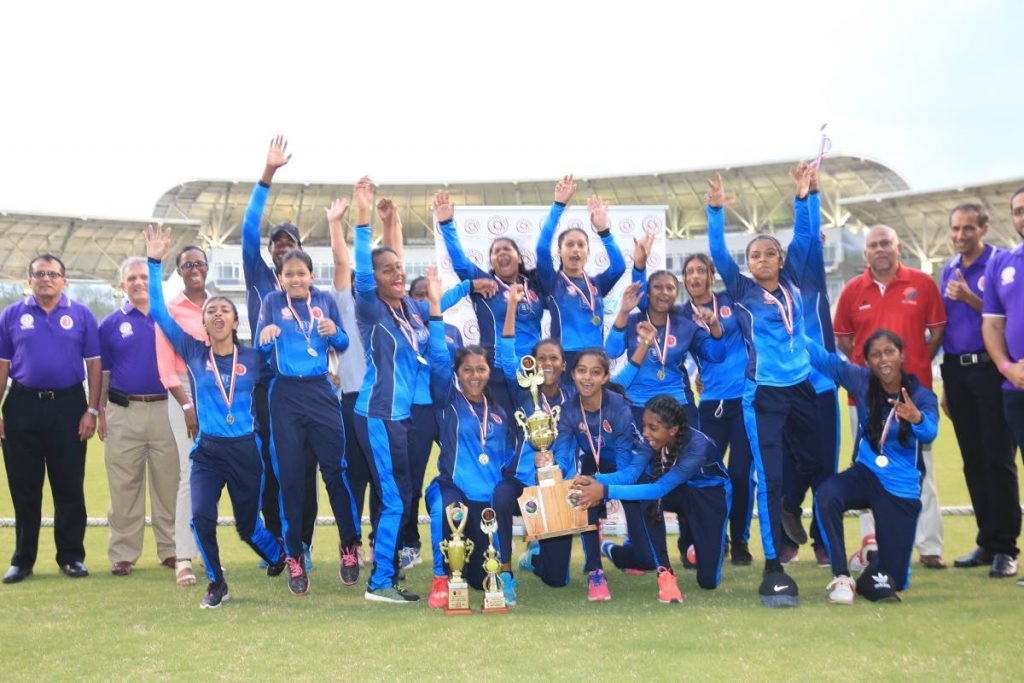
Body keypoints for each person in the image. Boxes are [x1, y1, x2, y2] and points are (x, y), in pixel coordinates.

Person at [145, 225, 285, 609]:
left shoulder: (255, 358)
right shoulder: (192, 351)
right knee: (201, 518)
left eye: (225, 310)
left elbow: (288, 376)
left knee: (246, 527)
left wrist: (278, 334)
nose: (218, 315)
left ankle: (279, 555)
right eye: (211, 312)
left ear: (236, 322)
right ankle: (217, 582)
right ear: (204, 325)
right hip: (208, 451)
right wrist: (154, 262)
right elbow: (158, 310)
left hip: (245, 451)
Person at [706, 169, 822, 607]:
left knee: (814, 462)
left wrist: (802, 195)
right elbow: (718, 252)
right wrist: (716, 211)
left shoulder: (793, 277)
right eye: (755, 255)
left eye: (769, 253)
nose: (762, 260)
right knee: (768, 476)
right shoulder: (740, 290)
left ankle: (794, 509)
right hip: (764, 396)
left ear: (778, 258)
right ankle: (773, 564)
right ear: (749, 262)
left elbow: (806, 237)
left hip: (803, 386)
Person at [833, 222, 948, 569]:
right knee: (869, 468)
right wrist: (872, 373)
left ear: (899, 248)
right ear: (866, 253)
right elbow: (843, 338)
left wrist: (912, 366)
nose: (880, 249)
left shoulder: (922, 284)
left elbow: (938, 331)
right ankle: (873, 545)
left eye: (886, 243)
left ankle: (929, 546)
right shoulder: (854, 289)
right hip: (867, 401)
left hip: (912, 398)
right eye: (873, 245)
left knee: (920, 469)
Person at [256, 248, 362, 596]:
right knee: (290, 479)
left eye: (302, 273)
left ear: (311, 276)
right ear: (281, 278)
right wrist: (266, 334)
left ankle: (349, 546)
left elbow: (344, 341)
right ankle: (295, 555)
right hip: (285, 394)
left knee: (335, 471)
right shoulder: (272, 301)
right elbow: (259, 346)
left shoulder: (326, 299)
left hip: (320, 391)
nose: (296, 279)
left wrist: (333, 333)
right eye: (289, 274)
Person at [808, 331, 939, 604]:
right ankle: (842, 575)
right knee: (826, 494)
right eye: (876, 355)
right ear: (867, 361)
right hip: (866, 474)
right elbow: (827, 361)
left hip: (900, 487)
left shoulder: (920, 395)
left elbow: (930, 433)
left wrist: (916, 418)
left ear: (901, 355)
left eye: (889, 351)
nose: (883, 359)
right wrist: (792, 329)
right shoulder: (862, 381)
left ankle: (874, 559)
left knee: (892, 582)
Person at [571, 395, 731, 603]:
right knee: (645, 489)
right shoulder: (651, 440)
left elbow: (659, 489)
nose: (645, 433)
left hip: (708, 496)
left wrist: (604, 491)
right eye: (644, 426)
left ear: (672, 430)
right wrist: (592, 480)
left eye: (652, 428)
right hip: (675, 492)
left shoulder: (698, 448)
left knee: (708, 581)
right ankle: (664, 573)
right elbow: (630, 474)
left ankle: (701, 546)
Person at [242, 136, 318, 573]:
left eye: (291, 242)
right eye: (277, 242)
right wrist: (267, 175)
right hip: (266, 385)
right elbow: (250, 229)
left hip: (304, 386)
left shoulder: (310, 287)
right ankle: (279, 546)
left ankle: (302, 543)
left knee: (302, 467)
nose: (282, 247)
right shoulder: (258, 278)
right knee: (270, 467)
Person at [0, 254, 101, 584]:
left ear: (64, 280)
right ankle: (23, 560)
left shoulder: (81, 315)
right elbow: (2, 367)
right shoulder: (11, 316)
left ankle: (71, 556)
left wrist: (92, 409)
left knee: (69, 486)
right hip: (22, 405)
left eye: (53, 274)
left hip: (69, 405)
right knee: (24, 489)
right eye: (39, 274)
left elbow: (95, 366)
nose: (46, 278)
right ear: (28, 280)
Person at [422, 268, 514, 608]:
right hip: (456, 490)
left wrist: (512, 309)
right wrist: (434, 307)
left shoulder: (502, 406)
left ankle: (499, 573)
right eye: (467, 370)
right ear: (458, 374)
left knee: (480, 579)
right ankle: (439, 578)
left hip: (489, 501)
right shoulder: (447, 399)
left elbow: (506, 353)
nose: (475, 376)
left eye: (481, 369)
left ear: (490, 371)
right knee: (444, 508)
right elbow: (436, 358)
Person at [940, 202, 1019, 578]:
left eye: (968, 228)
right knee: (972, 460)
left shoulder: (1000, 264)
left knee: (997, 460)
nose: (960, 236)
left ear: (984, 229)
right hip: (956, 372)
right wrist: (945, 382)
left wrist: (969, 297)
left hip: (989, 370)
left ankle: (1006, 546)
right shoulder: (948, 269)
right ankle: (987, 541)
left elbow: (996, 319)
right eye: (955, 229)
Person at [526, 348, 639, 602]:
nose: (587, 378)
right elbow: (565, 457)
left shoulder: (619, 406)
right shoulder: (568, 410)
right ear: (573, 375)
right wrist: (551, 465)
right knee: (582, 492)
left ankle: (624, 553)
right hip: (593, 465)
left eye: (595, 372)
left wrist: (600, 484)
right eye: (581, 371)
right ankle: (595, 571)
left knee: (644, 556)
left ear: (605, 377)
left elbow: (625, 467)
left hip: (627, 470)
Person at [487, 283, 573, 606]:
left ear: (564, 365)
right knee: (499, 495)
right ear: (533, 364)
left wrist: (557, 463)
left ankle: (535, 559)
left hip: (555, 484)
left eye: (555, 359)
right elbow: (505, 352)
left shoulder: (573, 397)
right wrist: (510, 307)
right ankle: (505, 572)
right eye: (542, 359)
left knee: (557, 580)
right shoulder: (523, 391)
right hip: (522, 480)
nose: (548, 364)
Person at [98, 257, 180, 577]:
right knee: (123, 487)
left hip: (166, 410)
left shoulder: (169, 317)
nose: (138, 282)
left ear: (155, 281)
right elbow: (103, 372)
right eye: (131, 278)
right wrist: (101, 411)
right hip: (124, 411)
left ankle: (172, 549)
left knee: (169, 484)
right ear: (122, 286)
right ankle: (123, 553)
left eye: (144, 277)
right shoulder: (109, 324)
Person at [777, 164, 841, 568]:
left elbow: (805, 237)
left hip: (820, 385)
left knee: (825, 467)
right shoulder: (765, 292)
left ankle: (823, 539)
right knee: (787, 466)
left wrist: (809, 196)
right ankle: (787, 532)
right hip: (783, 389)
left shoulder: (811, 279)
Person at [435, 189, 543, 420]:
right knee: (502, 427)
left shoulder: (534, 285)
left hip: (531, 368)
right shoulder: (486, 284)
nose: (502, 254)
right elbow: (460, 263)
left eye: (508, 249)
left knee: (534, 427)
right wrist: (446, 223)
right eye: (496, 251)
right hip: (496, 370)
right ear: (492, 260)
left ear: (520, 257)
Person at [680, 253, 754, 565]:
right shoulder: (681, 315)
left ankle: (740, 541)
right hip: (710, 404)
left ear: (712, 275)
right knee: (706, 474)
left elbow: (752, 337)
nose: (695, 277)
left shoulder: (731, 301)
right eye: (689, 272)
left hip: (744, 399)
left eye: (701, 271)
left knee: (740, 474)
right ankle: (714, 540)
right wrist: (694, 376)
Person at [154, 242, 209, 586]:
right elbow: (165, 368)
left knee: (216, 472)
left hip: (218, 393)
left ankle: (206, 550)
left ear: (207, 267)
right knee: (190, 472)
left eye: (198, 263)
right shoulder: (171, 309)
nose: (193, 269)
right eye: (186, 265)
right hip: (184, 394)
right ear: (179, 271)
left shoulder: (219, 306)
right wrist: (188, 406)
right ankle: (184, 557)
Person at [327, 197, 376, 570]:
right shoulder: (345, 303)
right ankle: (351, 545)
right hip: (352, 399)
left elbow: (394, 258)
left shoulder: (390, 308)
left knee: (382, 478)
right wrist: (335, 223)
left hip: (386, 404)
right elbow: (343, 262)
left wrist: (391, 224)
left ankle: (380, 542)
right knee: (353, 477)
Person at [536, 175, 626, 372]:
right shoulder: (552, 281)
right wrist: (558, 205)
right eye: (569, 244)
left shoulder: (597, 284)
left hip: (596, 357)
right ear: (559, 251)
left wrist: (603, 231)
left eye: (581, 245)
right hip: (564, 357)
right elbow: (542, 248)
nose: (575, 249)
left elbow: (619, 267)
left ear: (587, 252)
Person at [981, 186, 1024, 588]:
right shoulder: (1006, 264)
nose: (1022, 217)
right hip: (1015, 389)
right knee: (1007, 466)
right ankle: (1007, 550)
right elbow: (992, 324)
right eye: (1018, 211)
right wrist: (1007, 366)